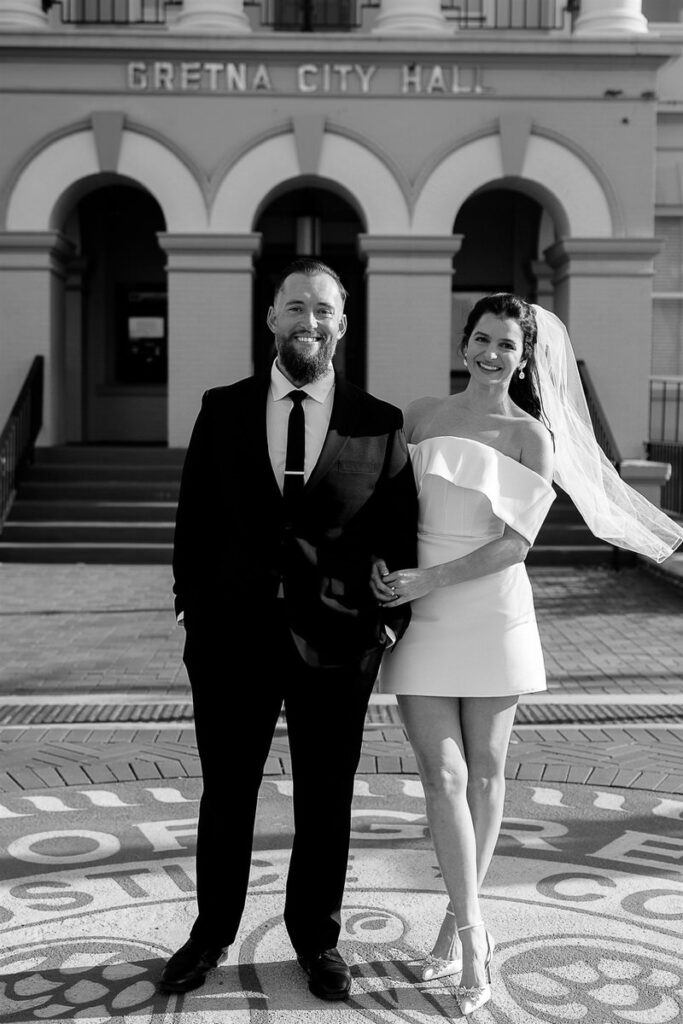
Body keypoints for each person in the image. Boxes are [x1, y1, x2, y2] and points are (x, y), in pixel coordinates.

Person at [372, 293, 683, 1018]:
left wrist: (429, 577)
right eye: (480, 338)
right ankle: (474, 930)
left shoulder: (530, 437)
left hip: (488, 608)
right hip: (418, 613)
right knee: (439, 774)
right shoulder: (418, 414)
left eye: (505, 345)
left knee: (483, 772)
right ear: (463, 341)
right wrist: (390, 574)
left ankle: (458, 927)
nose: (489, 353)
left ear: (524, 358)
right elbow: (385, 508)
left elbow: (515, 545)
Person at [161, 257, 418, 1001]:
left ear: (343, 324)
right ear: (271, 319)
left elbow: (398, 531)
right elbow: (195, 516)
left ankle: (316, 940)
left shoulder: (379, 422)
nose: (310, 320)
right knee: (227, 791)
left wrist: (389, 622)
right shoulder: (222, 407)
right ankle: (210, 933)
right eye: (295, 306)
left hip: (338, 641)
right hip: (229, 636)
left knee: (325, 795)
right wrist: (190, 600)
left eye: (324, 309)